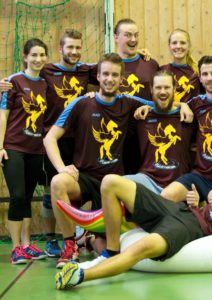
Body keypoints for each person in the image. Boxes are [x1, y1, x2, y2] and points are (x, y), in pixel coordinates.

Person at [54, 152, 212, 289]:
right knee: (111, 182)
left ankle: (80, 275)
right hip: (179, 209)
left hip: (190, 227)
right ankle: (109, 252)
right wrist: (199, 201)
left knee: (141, 248)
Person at [43, 53, 168, 269]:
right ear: (98, 76)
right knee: (57, 182)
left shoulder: (129, 102)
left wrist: (183, 107)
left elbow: (163, 104)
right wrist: (62, 168)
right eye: (106, 74)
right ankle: (70, 245)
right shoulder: (81, 103)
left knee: (109, 247)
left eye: (115, 75)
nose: (110, 79)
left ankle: (91, 240)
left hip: (112, 183)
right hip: (84, 177)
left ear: (122, 79)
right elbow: (49, 138)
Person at [77, 69, 194, 270]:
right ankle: (108, 249)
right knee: (110, 181)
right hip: (146, 181)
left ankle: (90, 239)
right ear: (151, 90)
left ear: (175, 90)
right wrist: (90, 98)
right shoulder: (140, 117)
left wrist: (183, 104)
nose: (163, 91)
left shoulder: (188, 117)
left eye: (167, 87)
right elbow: (110, 109)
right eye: (158, 88)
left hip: (177, 184)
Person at [40, 29, 99, 257]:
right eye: (69, 47)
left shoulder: (85, 71)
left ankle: (78, 235)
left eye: (77, 48)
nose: (74, 52)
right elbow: (25, 76)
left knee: (76, 187)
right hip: (52, 138)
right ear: (60, 49)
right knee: (50, 189)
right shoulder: (46, 70)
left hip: (79, 140)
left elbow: (110, 69)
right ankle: (50, 239)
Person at [160, 56, 212, 203]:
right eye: (205, 74)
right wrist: (182, 105)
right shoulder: (196, 103)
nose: (209, 78)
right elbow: (166, 104)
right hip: (200, 177)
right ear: (200, 78)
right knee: (166, 196)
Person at [0, 38, 48, 264]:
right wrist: (0, 146)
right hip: (14, 148)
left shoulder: (45, 84)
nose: (38, 59)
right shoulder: (13, 82)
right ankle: (16, 247)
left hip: (36, 149)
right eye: (34, 55)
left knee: (28, 197)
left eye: (42, 55)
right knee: (17, 196)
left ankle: (28, 244)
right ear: (26, 57)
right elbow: (3, 115)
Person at [114, 18, 160, 174]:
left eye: (136, 35)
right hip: (117, 132)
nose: (133, 39)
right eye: (127, 35)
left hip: (145, 132)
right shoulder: (108, 63)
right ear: (116, 38)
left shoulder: (150, 64)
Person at [160, 28, 204, 103]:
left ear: (189, 45)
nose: (178, 46)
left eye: (183, 43)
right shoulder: (162, 70)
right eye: (174, 43)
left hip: (192, 114)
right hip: (168, 114)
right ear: (169, 46)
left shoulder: (198, 71)